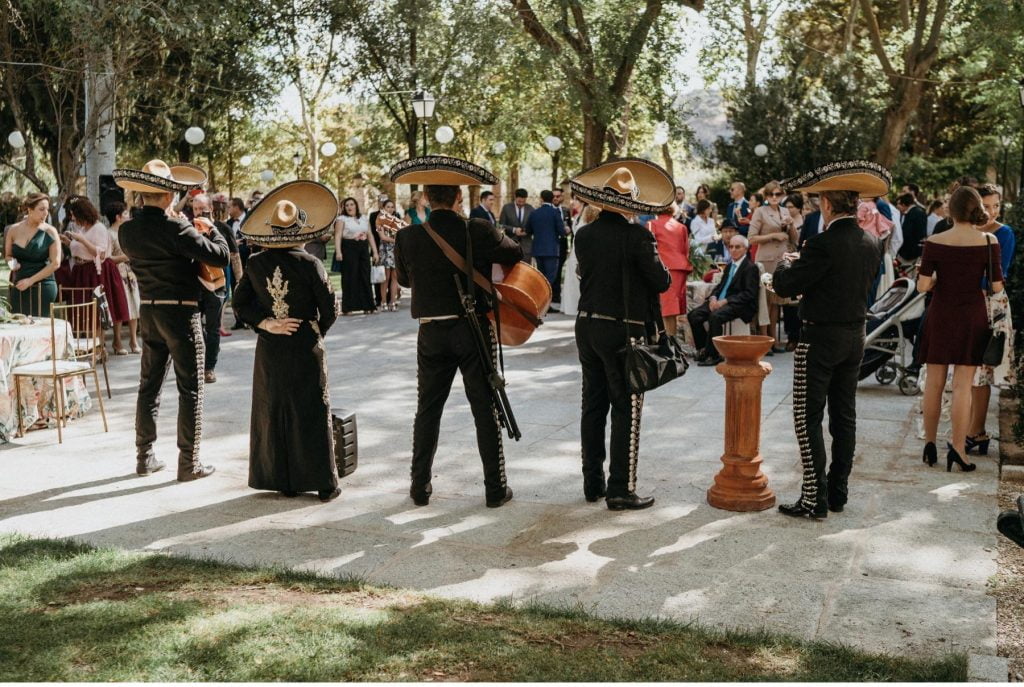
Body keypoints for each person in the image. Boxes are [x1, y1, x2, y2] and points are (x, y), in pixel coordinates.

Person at [391, 154, 522, 508]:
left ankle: (420, 487)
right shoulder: (476, 229)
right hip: (473, 330)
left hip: (431, 332)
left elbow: (404, 280)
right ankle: (495, 489)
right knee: (485, 408)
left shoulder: (407, 237)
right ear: (459, 199)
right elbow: (515, 252)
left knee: (427, 411)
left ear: (426, 200)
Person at [771, 160, 888, 518]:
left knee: (807, 417)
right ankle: (837, 493)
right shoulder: (871, 242)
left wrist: (787, 262)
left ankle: (813, 497)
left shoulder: (821, 244)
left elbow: (784, 286)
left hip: (819, 338)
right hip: (855, 336)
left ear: (826, 204)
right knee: (844, 417)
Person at [113, 159, 228, 481]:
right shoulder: (177, 227)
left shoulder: (128, 230)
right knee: (190, 389)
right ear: (166, 197)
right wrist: (206, 225)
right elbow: (219, 255)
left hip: (149, 311)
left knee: (148, 387)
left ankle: (144, 457)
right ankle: (189, 463)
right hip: (181, 312)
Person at [571, 159, 672, 510]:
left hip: (587, 325)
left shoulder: (584, 235)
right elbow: (661, 281)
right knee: (626, 407)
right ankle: (620, 488)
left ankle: (592, 483)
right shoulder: (637, 236)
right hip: (621, 330)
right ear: (629, 205)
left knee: (593, 404)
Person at [232, 181, 341, 502]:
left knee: (274, 409)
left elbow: (240, 304)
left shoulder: (255, 263)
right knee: (311, 410)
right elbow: (330, 307)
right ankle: (323, 483)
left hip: (270, 346)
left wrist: (267, 323)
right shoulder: (310, 264)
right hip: (305, 343)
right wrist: (314, 330)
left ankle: (284, 481)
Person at [917, 186, 1003, 473]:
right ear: (977, 208)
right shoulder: (989, 241)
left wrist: (939, 276)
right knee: (963, 386)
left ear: (950, 211)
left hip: (940, 314)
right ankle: (958, 449)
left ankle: (929, 444)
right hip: (971, 316)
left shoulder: (934, 240)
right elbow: (995, 286)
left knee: (934, 382)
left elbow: (922, 286)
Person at [966, 184, 1016, 455]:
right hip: (964, 306)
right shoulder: (966, 230)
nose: (992, 211)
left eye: (996, 205)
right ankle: (968, 428)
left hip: (989, 306)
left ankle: (977, 431)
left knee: (982, 369)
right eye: (987, 206)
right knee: (965, 370)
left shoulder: (1003, 234)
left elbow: (999, 274)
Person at [59, 196, 131, 336]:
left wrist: (81, 240)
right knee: (84, 310)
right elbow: (82, 250)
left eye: (74, 214)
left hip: (94, 272)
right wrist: (68, 242)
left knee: (96, 310)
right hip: (81, 271)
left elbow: (101, 253)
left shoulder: (98, 228)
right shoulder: (84, 228)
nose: (72, 218)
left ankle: (100, 346)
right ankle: (92, 344)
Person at [687, 235, 759, 365]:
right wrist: (714, 297)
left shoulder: (750, 267)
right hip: (720, 301)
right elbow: (721, 286)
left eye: (737, 247)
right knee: (693, 315)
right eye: (730, 247)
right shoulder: (731, 265)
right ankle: (704, 349)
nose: (733, 250)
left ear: (746, 249)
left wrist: (725, 301)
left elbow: (749, 294)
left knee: (715, 317)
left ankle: (714, 355)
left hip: (739, 304)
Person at [192, 193, 240, 383]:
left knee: (212, 327)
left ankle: (209, 367)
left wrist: (240, 282)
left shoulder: (222, 228)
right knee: (196, 327)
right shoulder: (189, 228)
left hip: (217, 285)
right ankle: (203, 357)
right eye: (195, 209)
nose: (198, 213)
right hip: (195, 285)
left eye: (202, 209)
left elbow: (235, 256)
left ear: (210, 209)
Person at [749, 180, 799, 352]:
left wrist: (790, 225)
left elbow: (794, 239)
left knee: (777, 302)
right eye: (771, 194)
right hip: (765, 261)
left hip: (781, 261)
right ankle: (764, 340)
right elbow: (751, 238)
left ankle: (774, 340)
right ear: (766, 196)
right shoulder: (760, 212)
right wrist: (773, 236)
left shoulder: (785, 211)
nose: (774, 197)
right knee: (765, 301)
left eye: (778, 194)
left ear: (782, 195)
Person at [4, 192, 60, 317]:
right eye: (41, 209)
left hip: (43, 287)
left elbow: (55, 263)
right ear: (29, 209)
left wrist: (30, 281)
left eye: (47, 209)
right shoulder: (13, 230)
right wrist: (12, 264)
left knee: (41, 327)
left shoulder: (51, 231)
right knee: (18, 324)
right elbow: (8, 255)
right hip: (19, 285)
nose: (46, 213)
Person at [648, 204, 691, 337]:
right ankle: (671, 342)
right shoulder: (681, 226)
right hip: (680, 269)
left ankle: (668, 344)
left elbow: (650, 249)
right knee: (670, 310)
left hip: (663, 268)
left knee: (665, 309)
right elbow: (686, 250)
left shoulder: (651, 224)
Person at [105, 201, 141, 354]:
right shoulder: (109, 234)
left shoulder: (128, 232)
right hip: (117, 273)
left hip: (131, 273)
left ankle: (133, 340)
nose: (128, 216)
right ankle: (117, 340)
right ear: (118, 217)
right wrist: (125, 257)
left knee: (134, 305)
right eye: (125, 214)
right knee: (120, 306)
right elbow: (108, 257)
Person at [334, 196, 378, 315]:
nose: (349, 207)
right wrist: (338, 252)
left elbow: (370, 235)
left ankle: (368, 306)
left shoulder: (364, 218)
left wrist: (375, 252)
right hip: (348, 248)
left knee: (365, 275)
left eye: (351, 204)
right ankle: (348, 308)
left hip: (363, 248)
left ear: (356, 206)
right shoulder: (341, 219)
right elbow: (337, 235)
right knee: (350, 277)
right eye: (347, 205)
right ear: (344, 207)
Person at [524, 189, 567, 303]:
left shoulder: (534, 213)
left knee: (541, 277)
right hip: (552, 250)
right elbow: (561, 232)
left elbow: (528, 230)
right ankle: (545, 302)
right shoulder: (555, 212)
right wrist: (565, 231)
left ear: (541, 199)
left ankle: (540, 301)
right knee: (550, 278)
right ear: (552, 199)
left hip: (538, 249)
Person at [375, 198, 402, 311]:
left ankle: (393, 301)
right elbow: (382, 237)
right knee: (385, 278)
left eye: (392, 207)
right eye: (388, 207)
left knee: (395, 277)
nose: (390, 209)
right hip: (385, 250)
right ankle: (383, 301)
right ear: (383, 208)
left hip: (395, 250)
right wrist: (396, 240)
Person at [499, 188, 533, 262]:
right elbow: (501, 225)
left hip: (526, 247)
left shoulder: (530, 209)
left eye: (523, 201)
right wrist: (514, 230)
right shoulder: (507, 208)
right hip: (511, 245)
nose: (521, 203)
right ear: (515, 197)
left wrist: (526, 231)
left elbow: (534, 225)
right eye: (519, 201)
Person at [895, 192, 927, 264]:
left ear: (903, 204)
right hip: (912, 251)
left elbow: (909, 233)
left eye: (898, 204)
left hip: (910, 252)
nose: (897, 206)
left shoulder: (914, 213)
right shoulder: (916, 212)